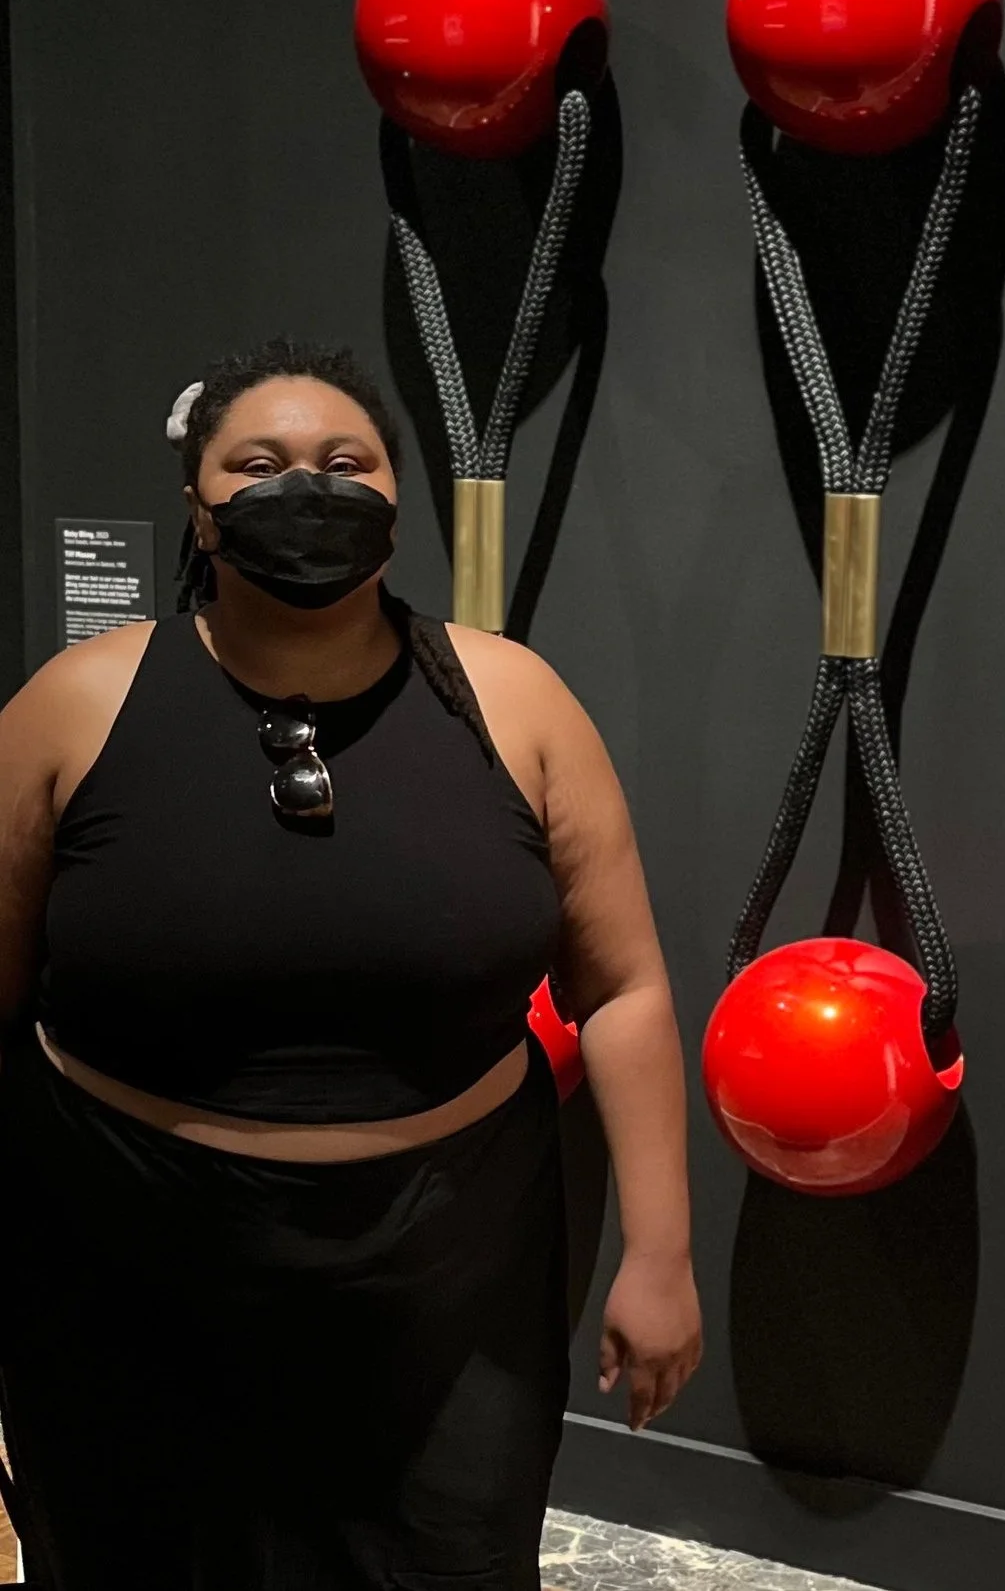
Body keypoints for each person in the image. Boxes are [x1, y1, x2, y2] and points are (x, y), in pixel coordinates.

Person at [0, 337, 701, 1587]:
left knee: (440, 1558)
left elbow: (628, 990)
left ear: (391, 496)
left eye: (344, 462)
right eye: (257, 467)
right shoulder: (72, 706)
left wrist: (660, 1255)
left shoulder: (520, 701)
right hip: (122, 1254)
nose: (303, 490)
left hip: (451, 1267)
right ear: (199, 510)